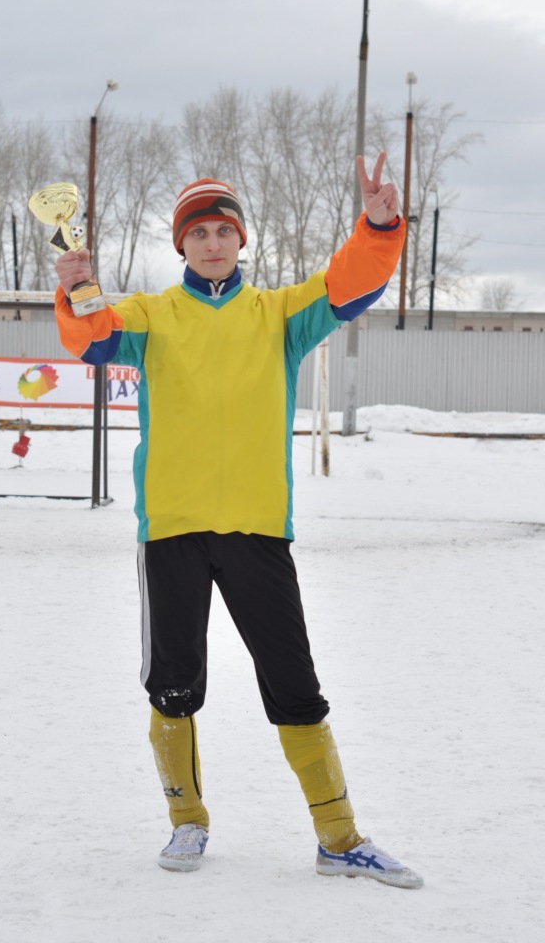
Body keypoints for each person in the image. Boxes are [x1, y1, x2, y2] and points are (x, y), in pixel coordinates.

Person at [53, 152, 423, 889]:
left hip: (257, 528)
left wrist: (379, 227)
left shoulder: (279, 314)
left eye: (224, 230)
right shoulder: (152, 316)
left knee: (295, 683)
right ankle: (186, 821)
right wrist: (75, 287)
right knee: (173, 685)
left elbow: (349, 285)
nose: (213, 242)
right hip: (173, 529)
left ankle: (339, 838)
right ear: (181, 245)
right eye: (199, 232)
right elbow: (93, 339)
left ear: (242, 239)